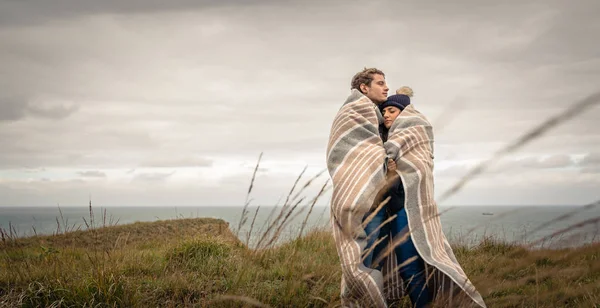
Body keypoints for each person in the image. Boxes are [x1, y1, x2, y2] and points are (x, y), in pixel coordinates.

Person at [363, 87, 433, 307]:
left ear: (404, 114)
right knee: (372, 264)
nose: (386, 115)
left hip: (405, 209)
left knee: (409, 265)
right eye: (384, 111)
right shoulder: (380, 139)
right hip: (381, 209)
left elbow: (418, 176)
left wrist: (395, 172)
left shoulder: (413, 139)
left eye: (392, 110)